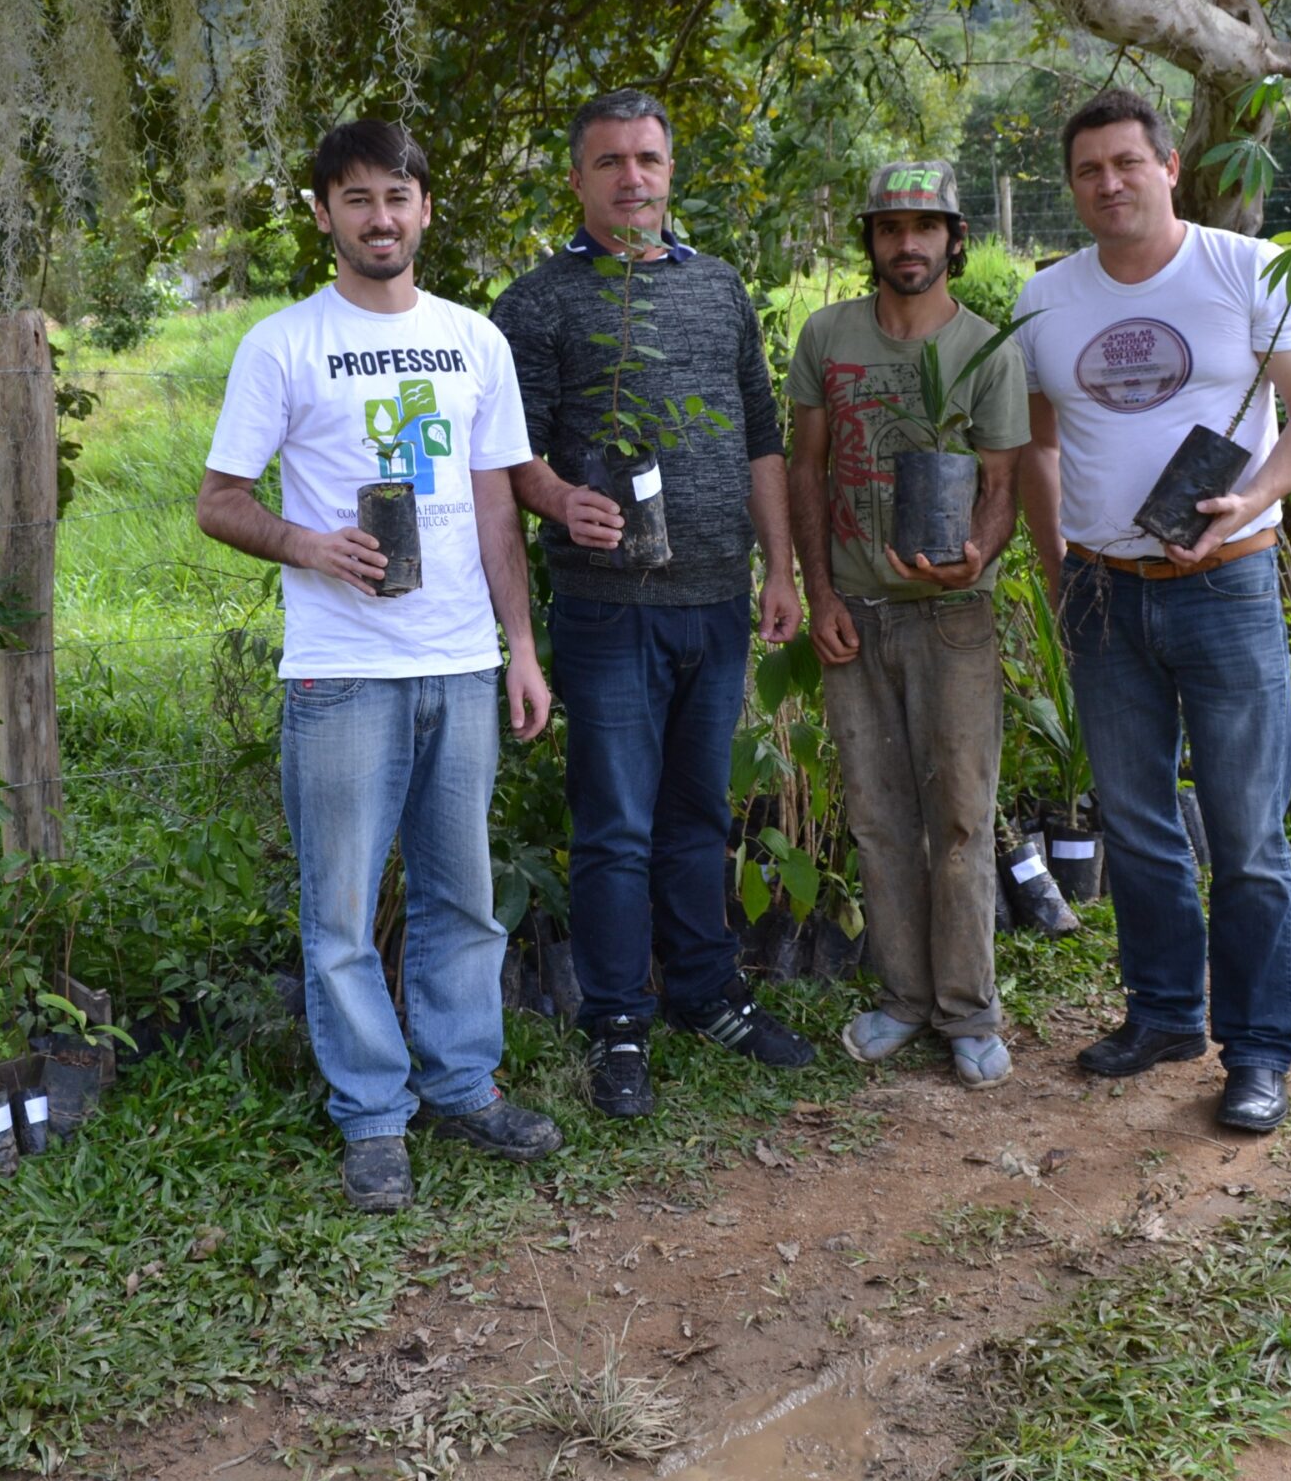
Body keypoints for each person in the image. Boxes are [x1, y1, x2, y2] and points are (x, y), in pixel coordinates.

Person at [197, 120, 562, 1210]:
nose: (380, 218)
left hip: (457, 661)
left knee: (466, 898)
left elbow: (498, 506)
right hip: (342, 669)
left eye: (397, 197)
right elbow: (219, 500)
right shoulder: (283, 344)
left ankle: (463, 1083)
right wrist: (309, 545)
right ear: (322, 216)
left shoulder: (473, 342)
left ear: (425, 208)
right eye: (355, 199)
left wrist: (521, 650)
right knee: (341, 913)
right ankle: (372, 1118)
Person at [1013, 88, 1291, 1134]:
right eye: (1087, 171)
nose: (1107, 184)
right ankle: (1162, 1012)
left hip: (1227, 582)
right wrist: (1054, 561)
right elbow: (1036, 443)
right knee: (1136, 821)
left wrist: (1253, 498)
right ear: (1072, 189)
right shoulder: (1045, 299)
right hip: (1103, 593)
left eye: (1125, 162)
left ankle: (1255, 1050)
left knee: (1247, 837)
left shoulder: (1247, 271)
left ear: (1167, 166)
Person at [493, 89, 810, 1119]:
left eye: (649, 160)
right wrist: (560, 497)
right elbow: (508, 459)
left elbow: (761, 439)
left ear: (672, 172)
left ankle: (706, 994)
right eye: (610, 162)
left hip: (716, 602)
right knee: (615, 827)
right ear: (576, 179)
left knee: (697, 814)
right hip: (608, 610)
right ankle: (617, 1023)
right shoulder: (539, 303)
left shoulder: (718, 290)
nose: (633, 178)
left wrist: (782, 569)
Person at [788, 160, 1029, 1089]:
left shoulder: (987, 348)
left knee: (962, 817)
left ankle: (969, 1010)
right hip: (858, 612)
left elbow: (1001, 486)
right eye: (891, 228)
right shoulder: (828, 336)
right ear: (872, 242)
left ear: (954, 239)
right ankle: (902, 999)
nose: (908, 244)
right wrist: (821, 594)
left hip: (955, 617)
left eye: (926, 227)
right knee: (881, 818)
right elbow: (806, 468)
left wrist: (979, 550)